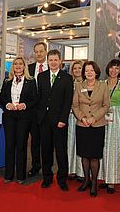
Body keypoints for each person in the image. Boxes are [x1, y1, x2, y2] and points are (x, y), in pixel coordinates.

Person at [72, 61, 110, 197]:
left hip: (97, 124)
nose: (89, 73)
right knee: (84, 155)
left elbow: (106, 105)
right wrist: (82, 118)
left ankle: (94, 182)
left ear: (96, 72)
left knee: (94, 156)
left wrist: (94, 117)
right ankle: (86, 180)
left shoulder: (103, 86)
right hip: (82, 125)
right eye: (87, 70)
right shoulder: (78, 86)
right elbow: (75, 105)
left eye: (91, 71)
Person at [37, 49, 73, 191]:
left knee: (61, 151)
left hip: (59, 121)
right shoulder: (41, 76)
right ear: (47, 61)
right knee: (45, 150)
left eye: (55, 60)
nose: (53, 62)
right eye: (50, 60)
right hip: (44, 120)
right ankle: (47, 178)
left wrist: (63, 119)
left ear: (60, 61)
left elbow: (67, 101)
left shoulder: (67, 78)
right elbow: (39, 98)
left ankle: (62, 179)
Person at [0, 56, 38, 184]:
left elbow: (34, 99)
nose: (18, 66)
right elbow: (2, 97)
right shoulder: (7, 81)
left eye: (20, 64)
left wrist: (24, 105)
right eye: (15, 64)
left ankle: (21, 175)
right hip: (9, 116)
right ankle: (8, 175)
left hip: (24, 117)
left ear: (24, 66)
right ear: (12, 66)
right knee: (10, 145)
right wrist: (7, 104)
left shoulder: (31, 81)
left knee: (21, 146)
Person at [99, 59, 120, 193]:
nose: (114, 70)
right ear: (108, 69)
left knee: (115, 150)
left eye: (117, 68)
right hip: (102, 118)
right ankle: (105, 177)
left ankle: (113, 181)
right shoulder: (101, 84)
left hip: (117, 119)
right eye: (112, 67)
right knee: (103, 149)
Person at [27, 42, 48, 177]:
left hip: (46, 112)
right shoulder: (29, 68)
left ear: (46, 51)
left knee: (46, 142)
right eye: (37, 51)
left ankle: (47, 167)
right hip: (32, 112)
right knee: (35, 141)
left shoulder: (51, 68)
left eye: (41, 51)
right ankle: (35, 166)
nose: (39, 54)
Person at [67, 60, 84, 181]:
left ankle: (81, 171)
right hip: (70, 117)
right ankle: (70, 170)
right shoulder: (69, 83)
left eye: (79, 68)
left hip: (82, 118)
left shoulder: (87, 84)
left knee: (80, 144)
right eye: (75, 68)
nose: (77, 70)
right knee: (70, 143)